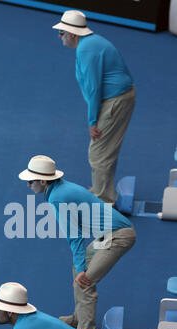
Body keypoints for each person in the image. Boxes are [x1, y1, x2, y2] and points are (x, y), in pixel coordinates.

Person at [19, 155, 136, 329]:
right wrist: (80, 267)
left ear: (42, 180)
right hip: (109, 234)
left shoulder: (57, 197)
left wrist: (83, 270)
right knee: (79, 269)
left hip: (118, 236)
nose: (28, 185)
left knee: (85, 281)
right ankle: (80, 318)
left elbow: (75, 236)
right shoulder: (61, 187)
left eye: (30, 181)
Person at [52, 10, 136, 206]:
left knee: (99, 152)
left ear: (72, 34)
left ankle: (104, 200)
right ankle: (101, 191)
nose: (59, 36)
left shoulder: (86, 50)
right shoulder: (91, 42)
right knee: (103, 150)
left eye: (61, 32)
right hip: (118, 98)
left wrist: (92, 122)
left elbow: (93, 89)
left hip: (115, 101)